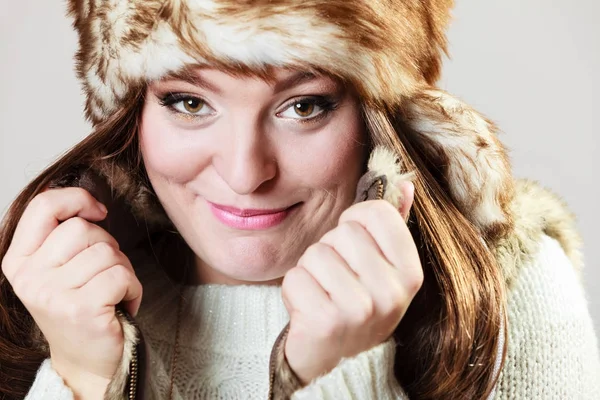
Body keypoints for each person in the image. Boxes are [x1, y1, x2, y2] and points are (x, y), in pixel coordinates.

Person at [1, 1, 598, 399]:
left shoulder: (508, 291)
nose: (244, 174)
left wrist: (343, 373)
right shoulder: (50, 298)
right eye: (188, 101)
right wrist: (79, 377)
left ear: (378, 117)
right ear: (133, 112)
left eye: (304, 105)